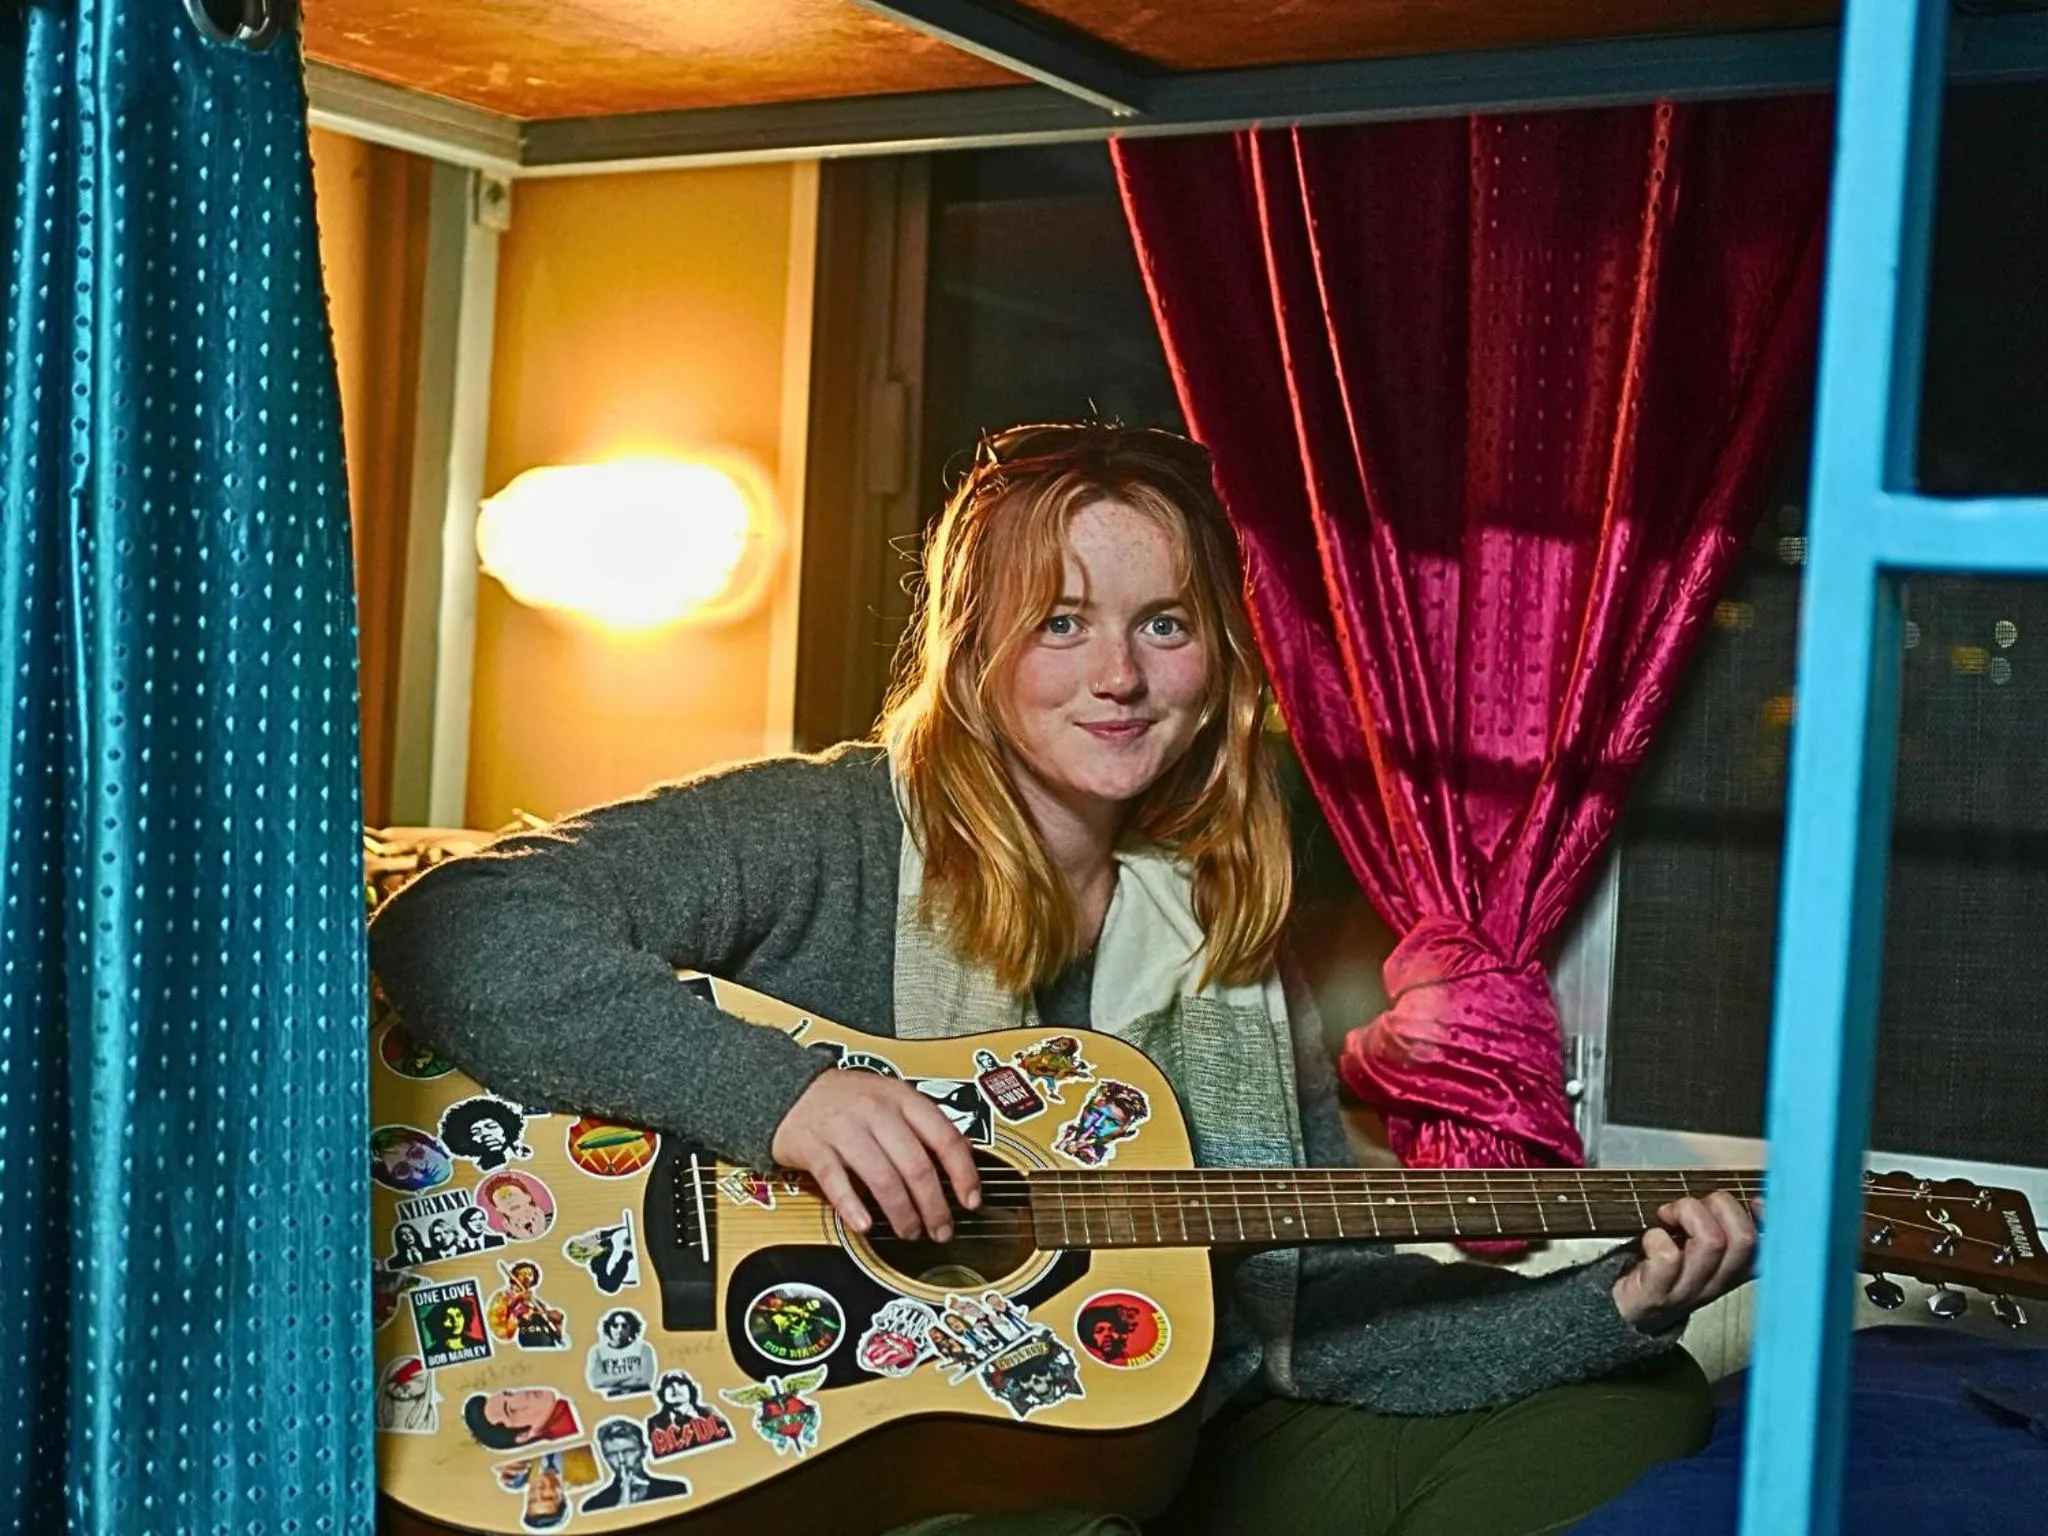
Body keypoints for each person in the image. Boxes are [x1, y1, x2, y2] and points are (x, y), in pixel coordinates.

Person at [371, 420, 1758, 1536]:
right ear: (973, 643)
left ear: (1218, 661)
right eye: (1060, 622)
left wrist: (1613, 1304)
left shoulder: (1226, 915)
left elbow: (1303, 1324)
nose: (1121, 677)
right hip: (841, 1454)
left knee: (1635, 1410)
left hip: (1149, 1450)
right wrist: (785, 1101)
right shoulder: (827, 829)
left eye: (1165, 624)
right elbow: (459, 923)